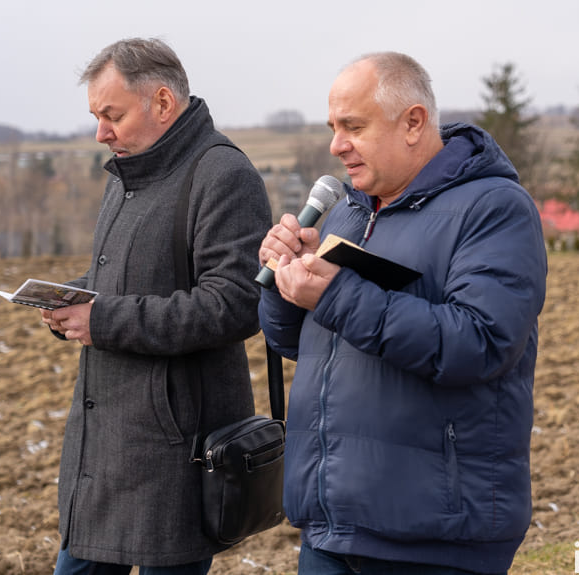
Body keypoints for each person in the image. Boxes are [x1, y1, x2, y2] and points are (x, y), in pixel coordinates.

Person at [257, 52, 547, 575]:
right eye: (333, 127)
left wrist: (336, 295)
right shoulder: (346, 210)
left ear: (413, 122)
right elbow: (300, 344)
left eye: (353, 126)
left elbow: (479, 344)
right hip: (332, 524)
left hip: (434, 534)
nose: (336, 145)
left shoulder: (494, 209)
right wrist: (286, 283)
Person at [41, 38, 271, 575]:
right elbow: (129, 278)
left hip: (174, 456)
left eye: (112, 115)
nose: (102, 132)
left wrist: (103, 320)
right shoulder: (127, 175)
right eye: (97, 117)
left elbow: (236, 303)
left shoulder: (222, 175)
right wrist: (72, 298)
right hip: (103, 451)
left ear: (163, 103)